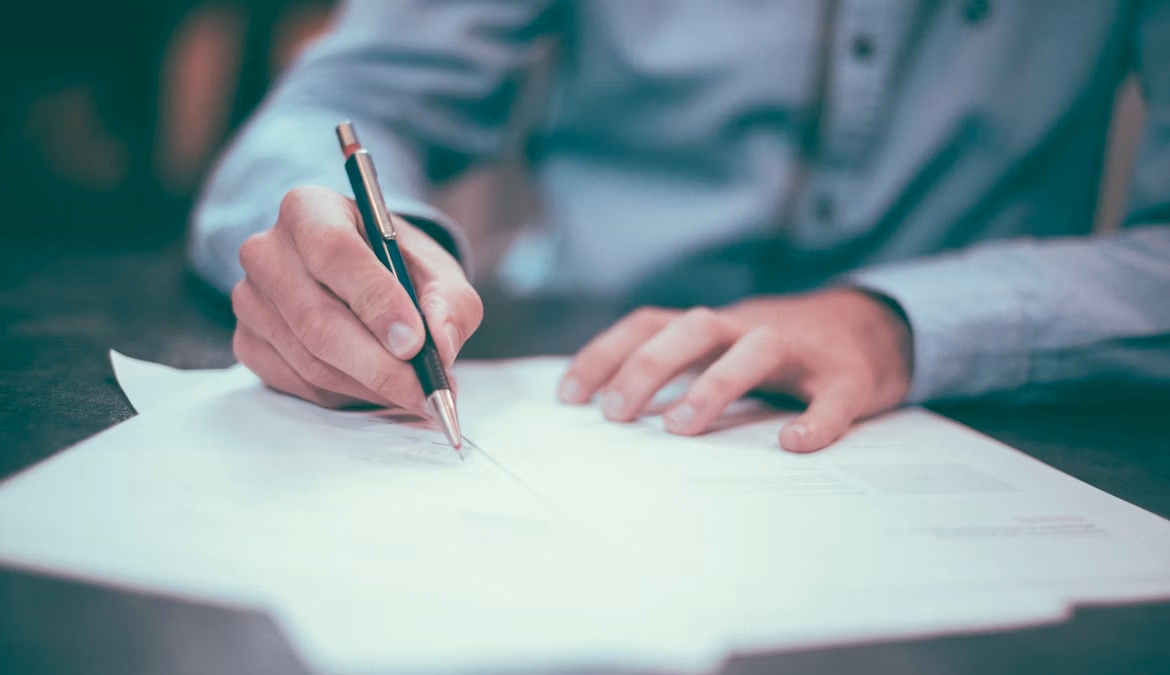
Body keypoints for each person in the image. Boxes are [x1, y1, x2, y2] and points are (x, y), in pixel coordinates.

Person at [190, 0, 1170, 453]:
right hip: (578, 379)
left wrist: (897, 320)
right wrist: (354, 248)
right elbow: (344, 100)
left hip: (994, 416)